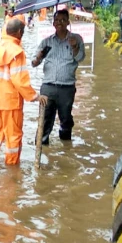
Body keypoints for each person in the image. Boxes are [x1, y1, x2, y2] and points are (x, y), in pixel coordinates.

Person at [0, 19, 47, 169]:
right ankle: (12, 168)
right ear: (19, 33)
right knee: (13, 136)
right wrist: (35, 96)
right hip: (10, 102)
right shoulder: (17, 52)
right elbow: (19, 80)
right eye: (22, 32)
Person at [32, 9, 85, 145]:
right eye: (57, 20)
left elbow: (80, 58)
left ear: (68, 22)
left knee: (66, 118)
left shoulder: (77, 39)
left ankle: (66, 144)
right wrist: (38, 58)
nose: (59, 23)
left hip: (67, 88)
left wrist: (74, 48)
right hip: (48, 87)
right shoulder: (46, 42)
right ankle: (41, 147)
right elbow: (34, 63)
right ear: (53, 23)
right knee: (45, 119)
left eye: (62, 20)